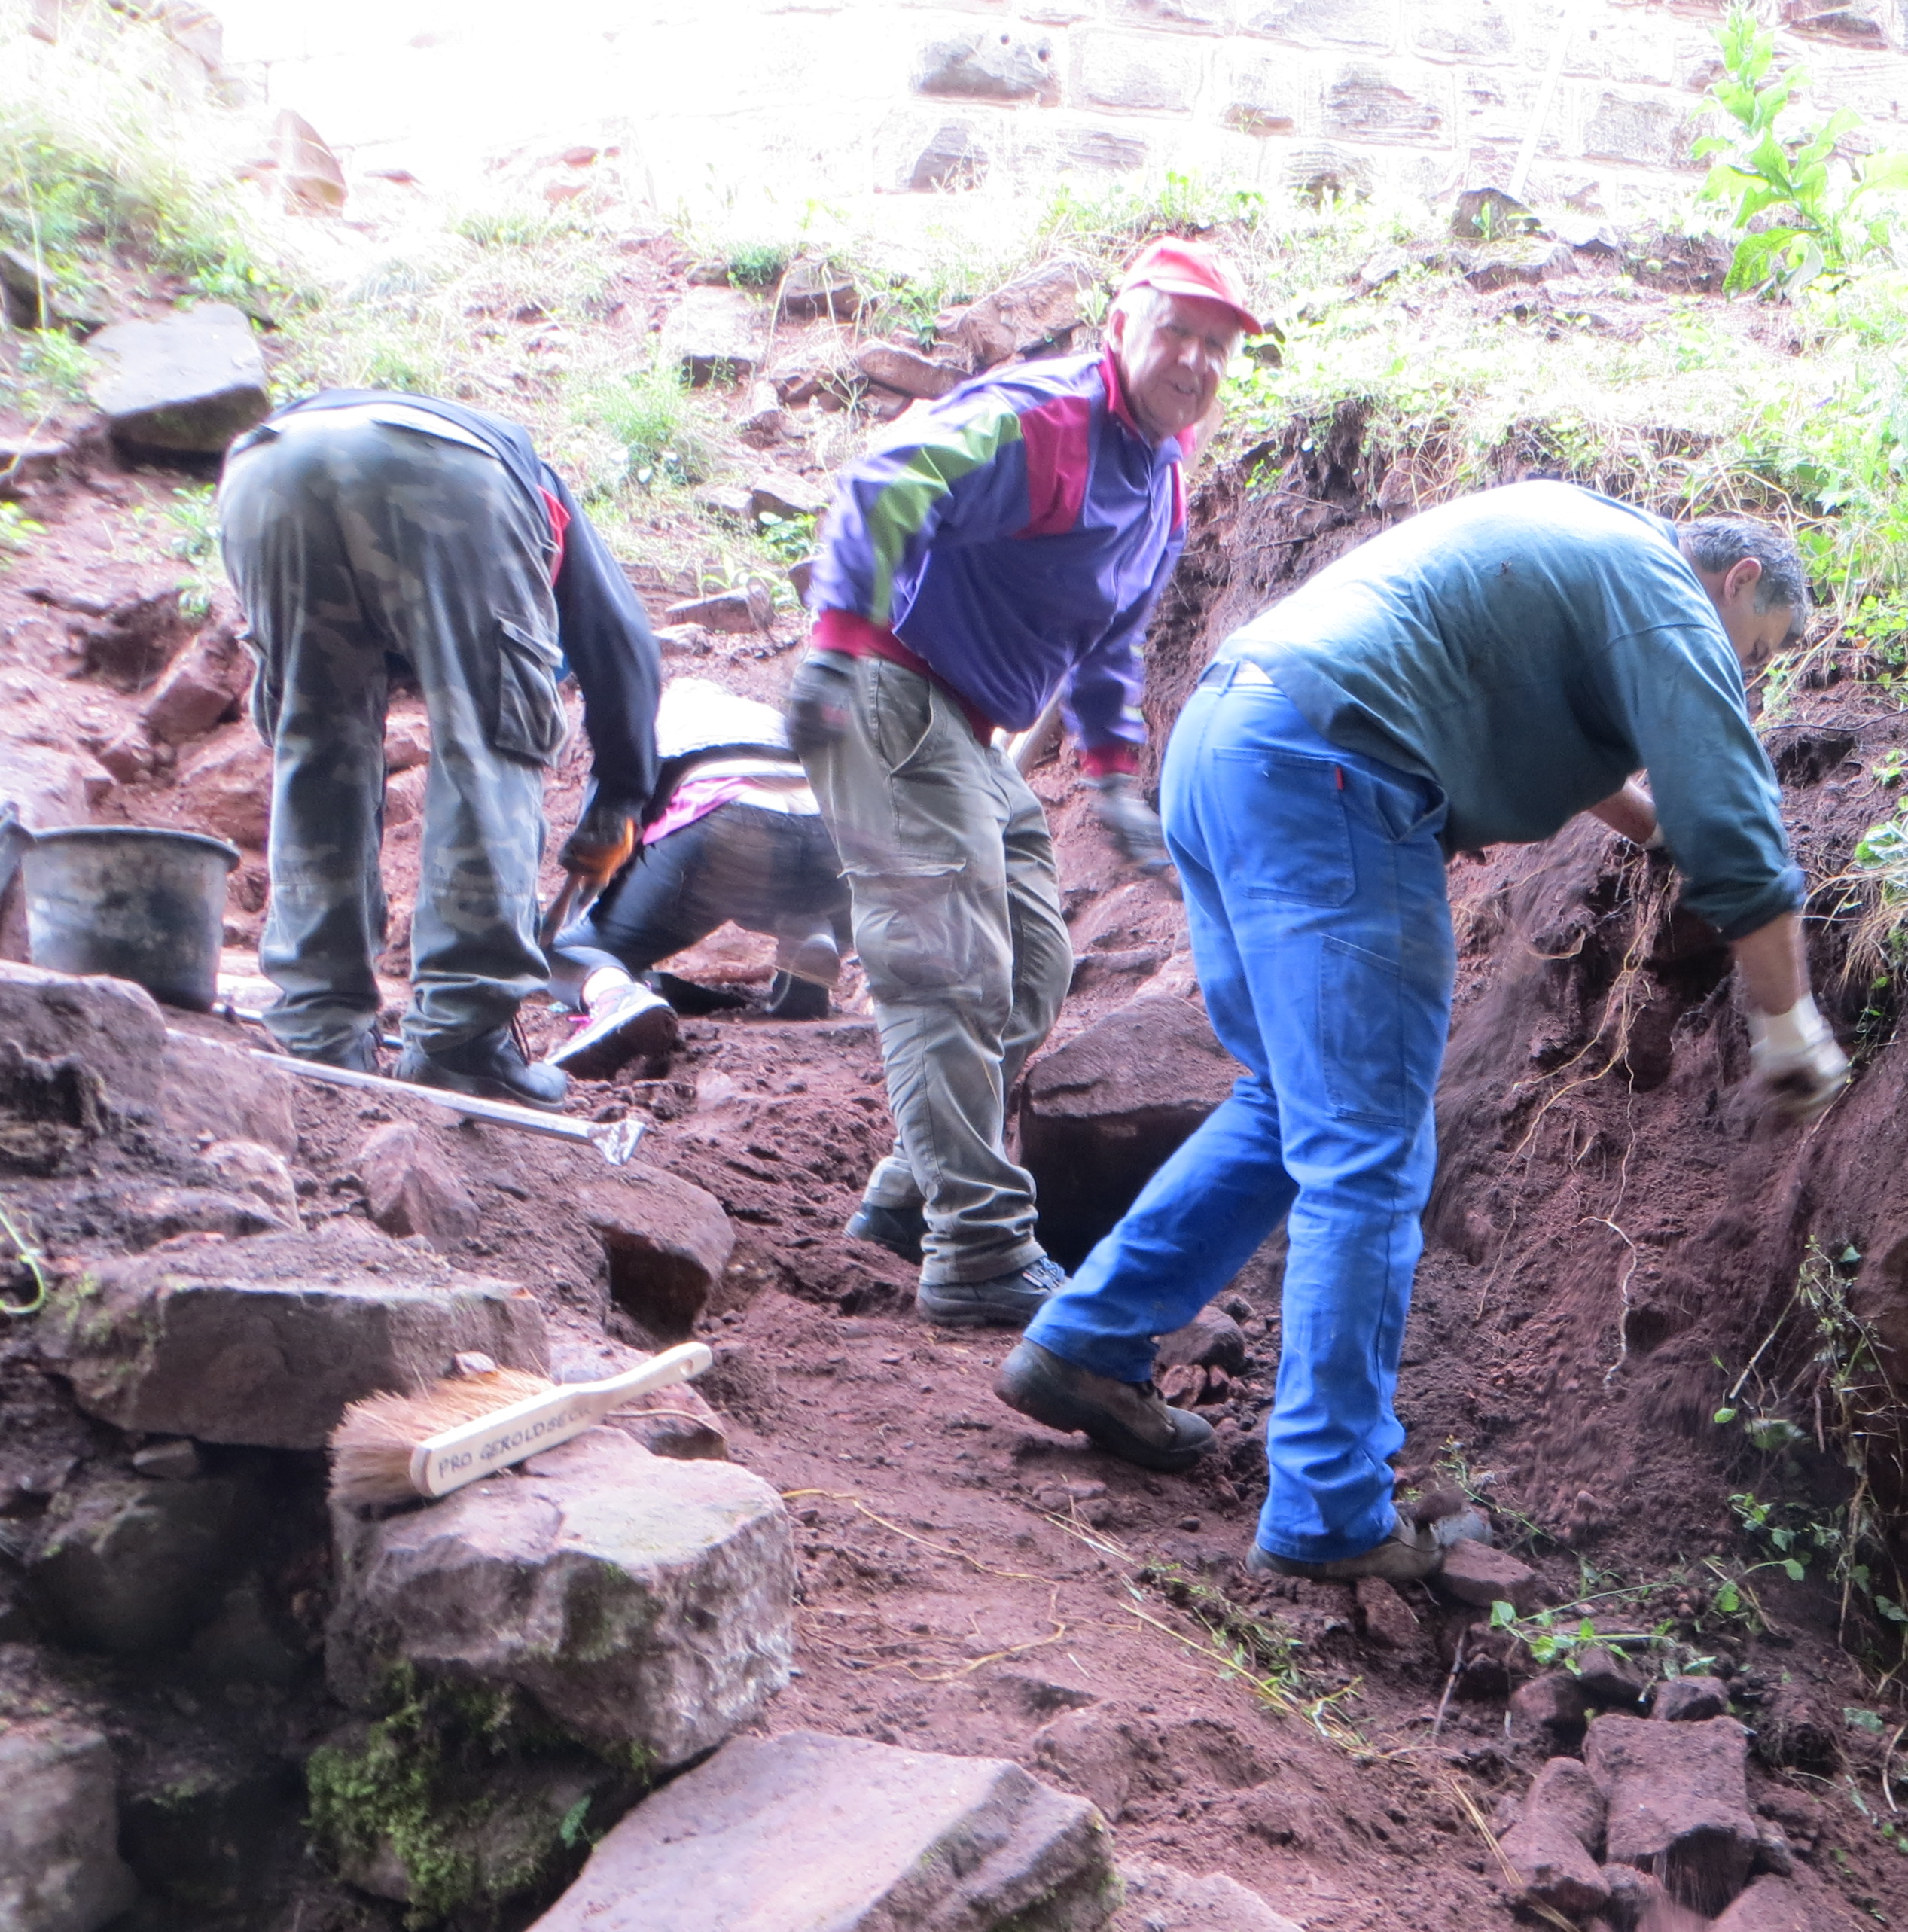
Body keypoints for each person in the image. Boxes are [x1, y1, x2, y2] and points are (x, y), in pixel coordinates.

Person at [998, 483, 1852, 1584]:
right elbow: (1733, 819)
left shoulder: (1580, 541)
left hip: (1228, 747)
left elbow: (1527, 718)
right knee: (1369, 1152)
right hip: (1330, 778)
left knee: (1290, 1102)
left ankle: (1087, 1344)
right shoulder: (1664, 594)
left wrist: (1652, 829)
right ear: (1737, 582)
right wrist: (1787, 1018)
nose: (1749, 672)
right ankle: (1330, 1511)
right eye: (1759, 647)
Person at [789, 236, 1258, 1327]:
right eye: (1177, 332)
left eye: (1218, 346)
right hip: (887, 686)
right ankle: (980, 1249)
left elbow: (1111, 642)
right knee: (951, 970)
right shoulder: (1044, 421)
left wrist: (1112, 774)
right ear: (1123, 328)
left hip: (967, 725)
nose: (1195, 361)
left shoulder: (1162, 481)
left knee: (1035, 968)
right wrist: (834, 646)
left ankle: (915, 1189)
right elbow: (886, 481)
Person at [218, 389, 659, 1105]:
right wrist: (620, 799)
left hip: (270, 465)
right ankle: (462, 1037)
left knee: (316, 745)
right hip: (446, 472)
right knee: (489, 739)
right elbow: (625, 652)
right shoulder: (545, 503)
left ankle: (318, 1030)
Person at [545, 679, 855, 1077]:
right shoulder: (766, 718)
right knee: (791, 879)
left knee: (560, 953)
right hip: (829, 836)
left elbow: (610, 830)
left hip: (726, 823)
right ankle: (808, 933)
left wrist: (580, 923)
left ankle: (615, 994)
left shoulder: (651, 721)